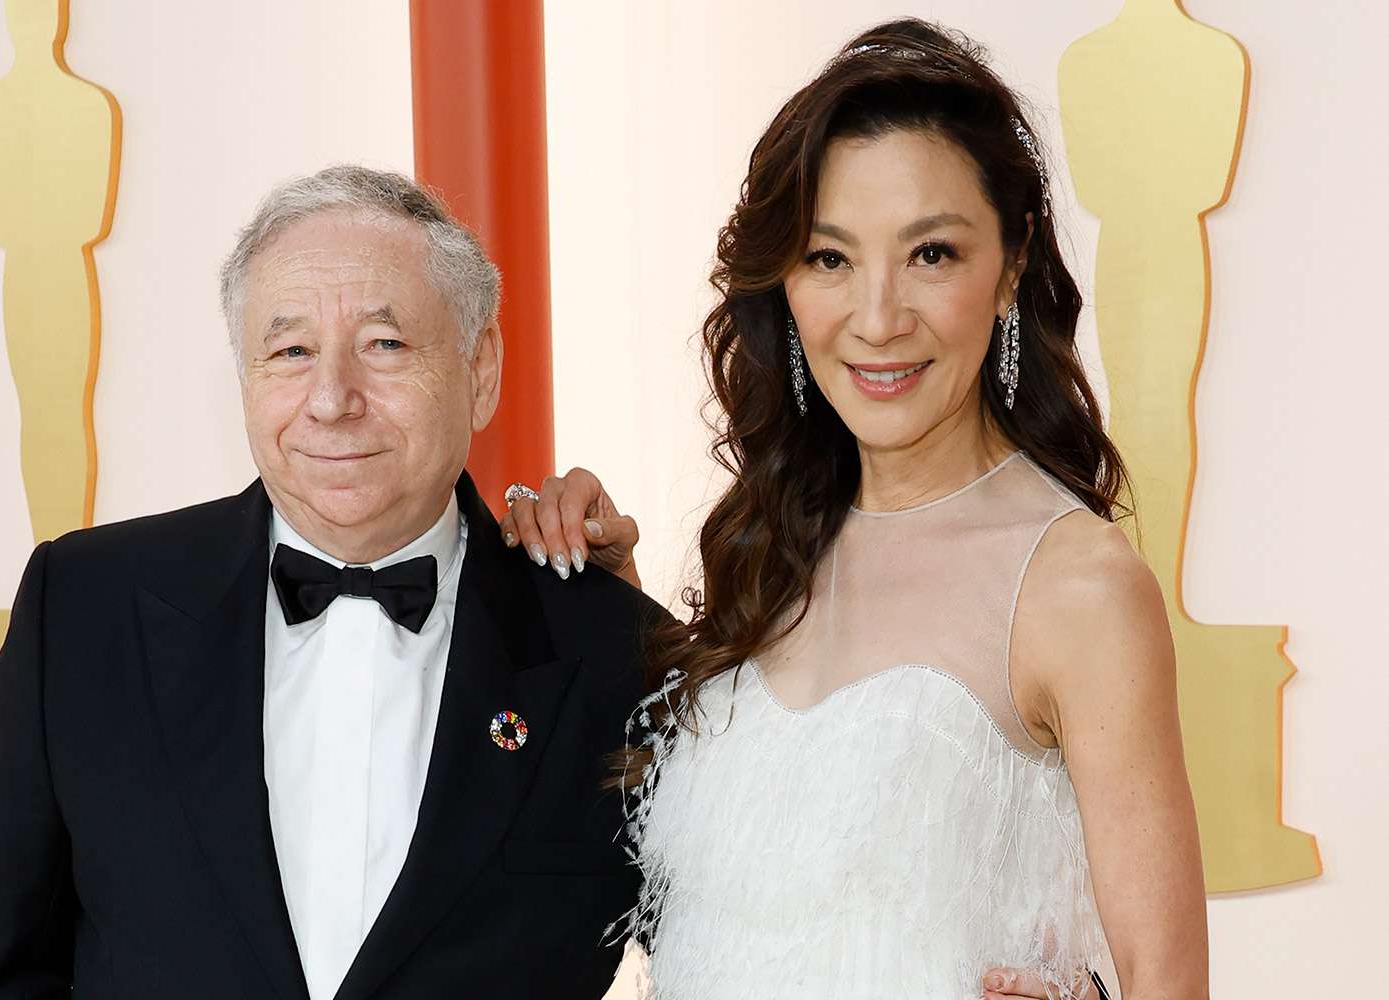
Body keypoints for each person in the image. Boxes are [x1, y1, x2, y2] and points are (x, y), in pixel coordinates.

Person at [501, 19, 1208, 1000]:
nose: (877, 317)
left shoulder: (1077, 589)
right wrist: (604, 603)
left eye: (931, 253)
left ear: (1010, 266)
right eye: (830, 258)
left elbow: (1169, 982)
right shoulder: (768, 552)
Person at [0, 166, 661, 1000]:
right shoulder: (83, 609)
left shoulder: (615, 653)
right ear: (244, 377)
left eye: (384, 345)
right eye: (289, 351)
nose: (331, 399)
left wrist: (623, 616)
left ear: (481, 367)